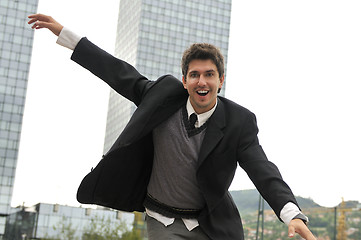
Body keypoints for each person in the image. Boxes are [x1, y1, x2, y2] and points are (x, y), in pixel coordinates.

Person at [28, 14, 317, 240]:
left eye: (209, 75)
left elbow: (262, 169)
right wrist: (67, 36)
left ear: (221, 80)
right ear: (184, 81)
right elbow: (118, 73)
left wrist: (291, 212)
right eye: (194, 75)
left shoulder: (239, 122)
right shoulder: (162, 95)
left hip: (210, 223)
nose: (201, 82)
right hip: (162, 219)